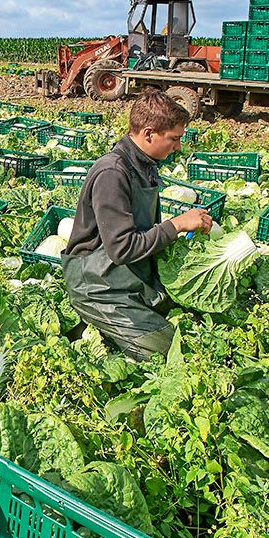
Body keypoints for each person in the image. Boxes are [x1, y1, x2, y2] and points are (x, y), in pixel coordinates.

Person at [61, 88, 212, 360]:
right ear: (149, 134)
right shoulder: (112, 173)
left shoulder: (143, 165)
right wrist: (176, 225)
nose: (178, 146)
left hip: (128, 275)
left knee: (195, 322)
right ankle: (92, 323)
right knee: (166, 352)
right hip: (98, 285)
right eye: (174, 139)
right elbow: (121, 248)